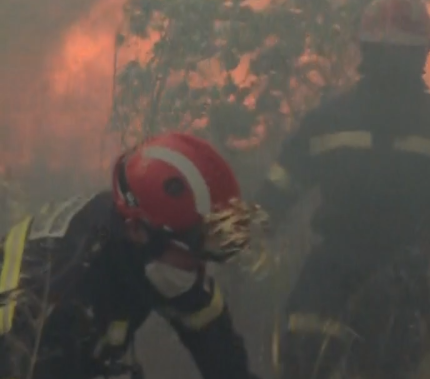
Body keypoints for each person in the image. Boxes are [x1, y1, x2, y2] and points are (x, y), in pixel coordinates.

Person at [257, 0, 430, 379]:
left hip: (399, 275)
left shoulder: (330, 119)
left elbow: (276, 194)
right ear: (425, 53)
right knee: (308, 350)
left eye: (400, 55)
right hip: (353, 268)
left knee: (335, 349)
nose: (394, 65)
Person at [0, 132, 261, 379]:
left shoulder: (156, 252)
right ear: (136, 230)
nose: (198, 267)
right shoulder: (64, 298)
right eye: (192, 249)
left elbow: (223, 357)